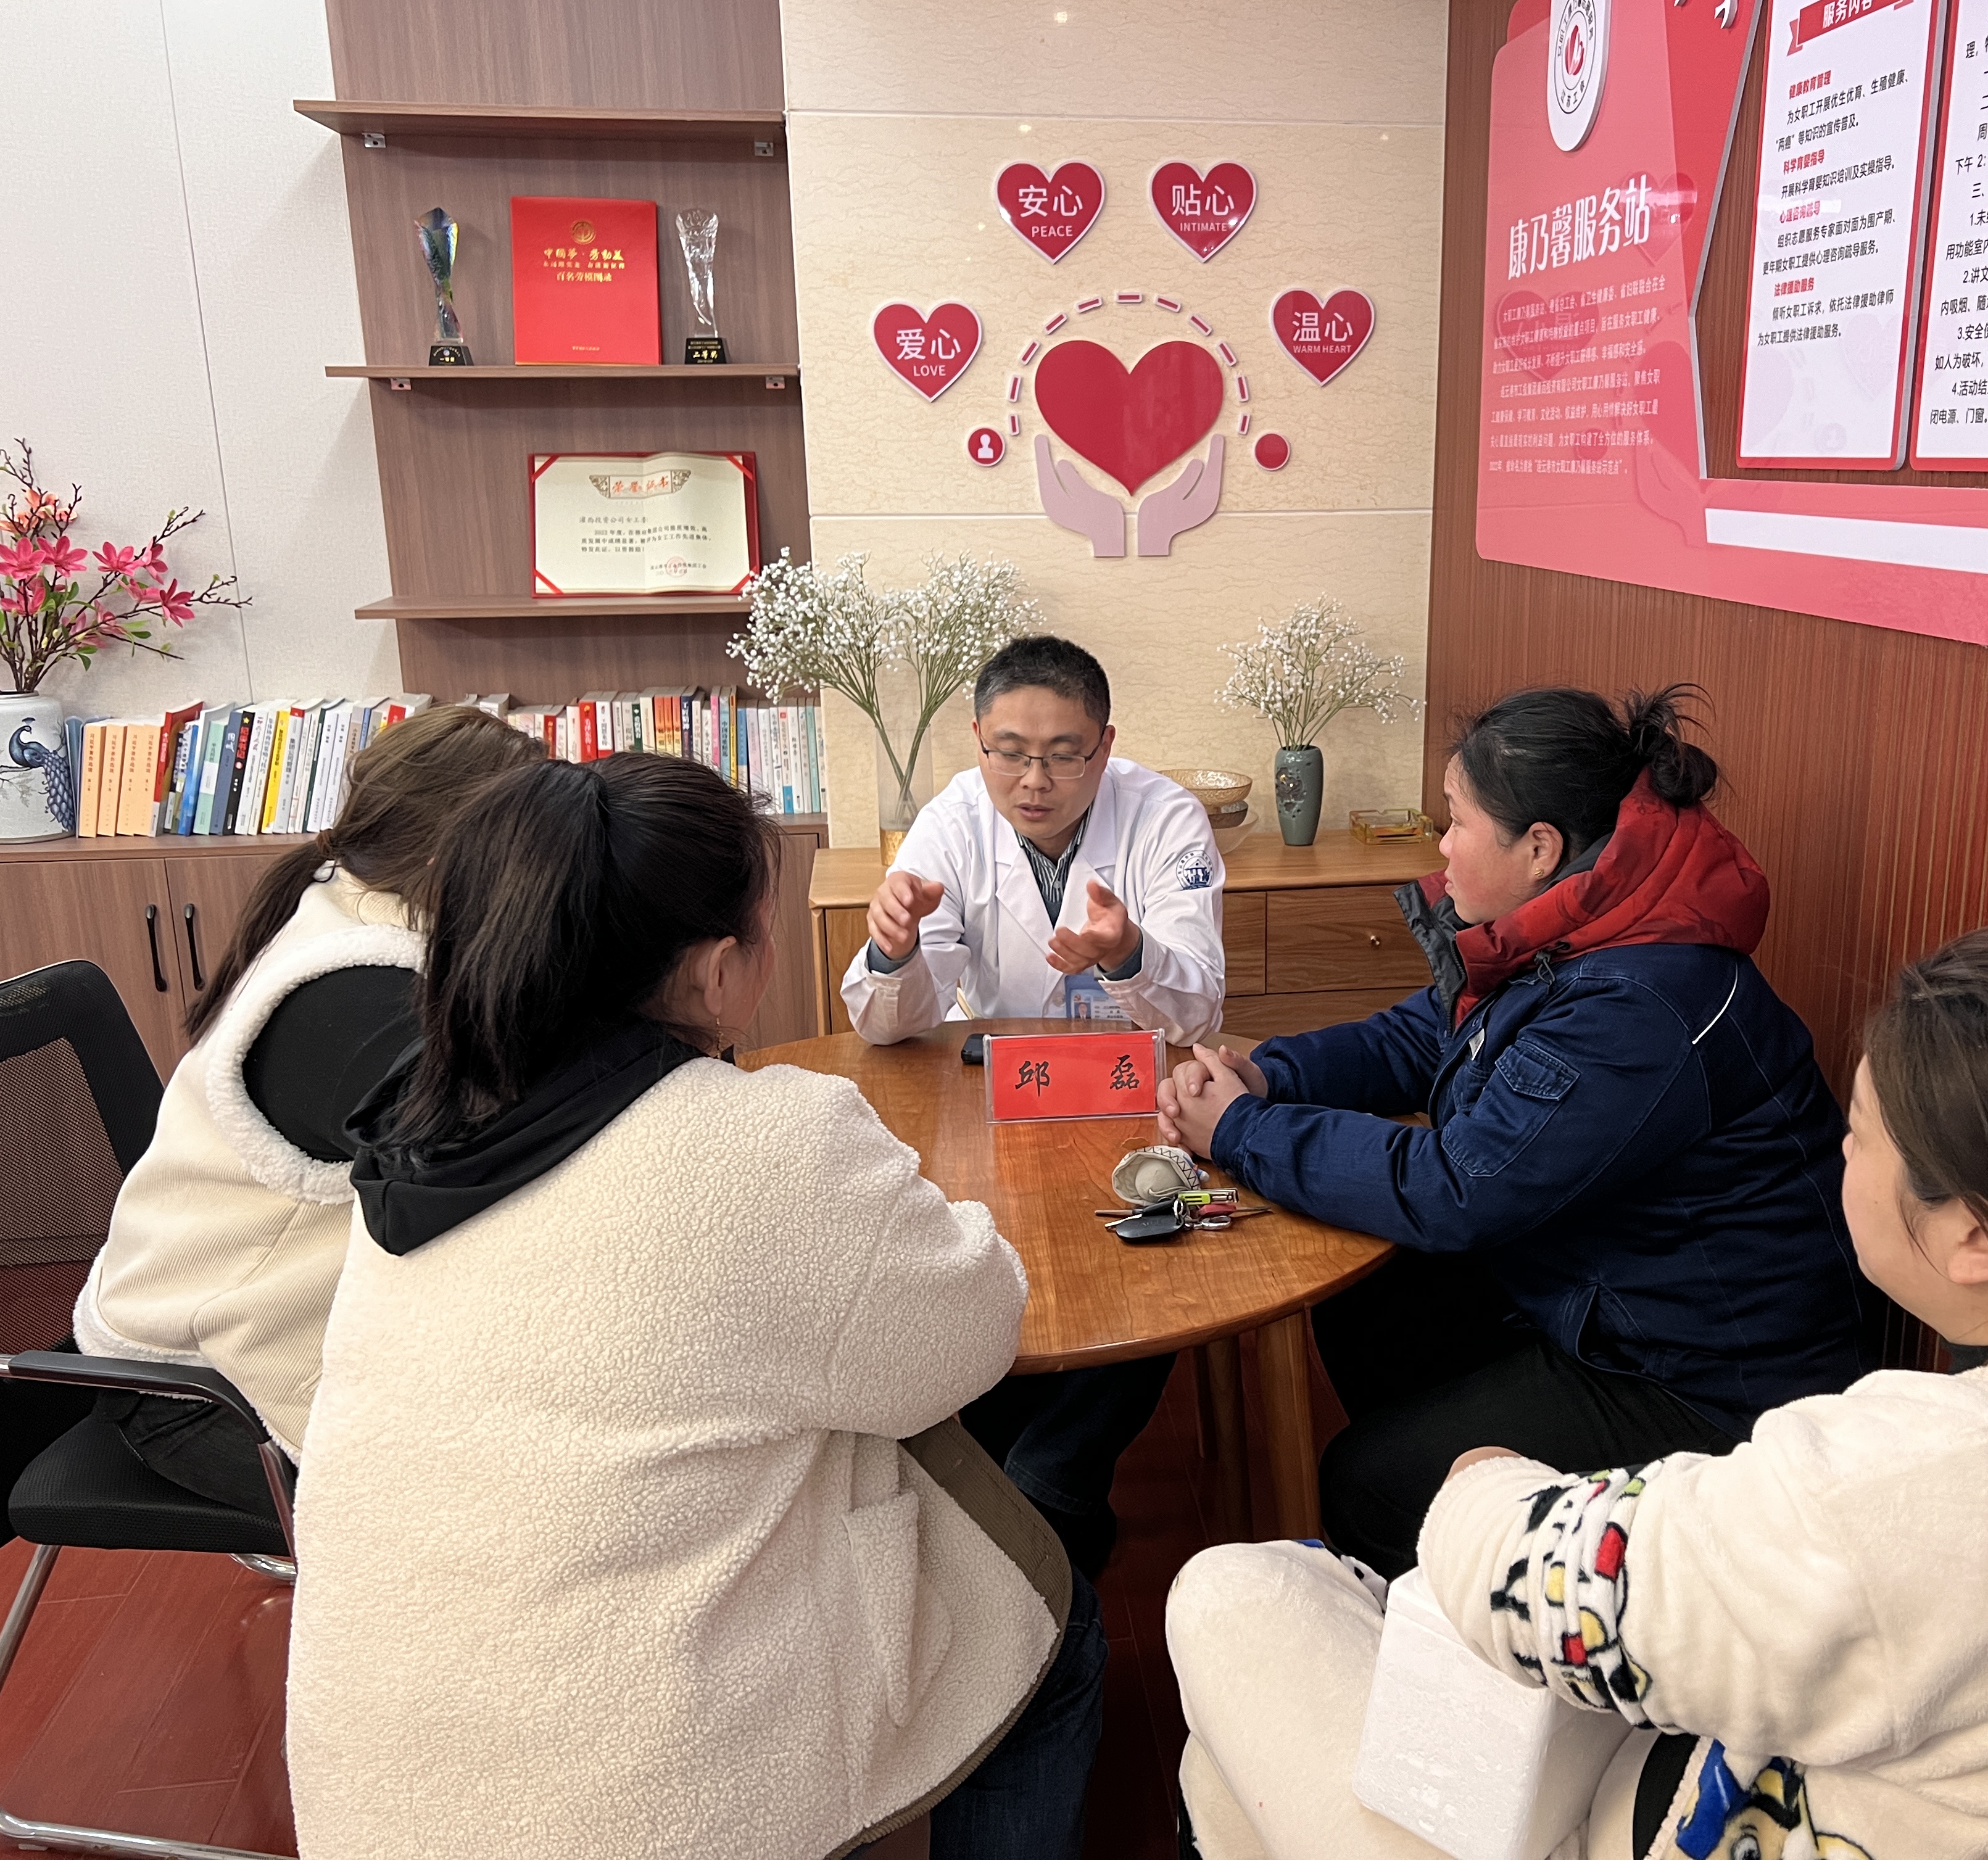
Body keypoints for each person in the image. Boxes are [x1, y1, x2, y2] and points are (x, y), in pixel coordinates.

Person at [1162, 926, 1988, 1860]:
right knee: (1230, 1774)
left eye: (1862, 1134)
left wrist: (1486, 1478)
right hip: (1797, 1763)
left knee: (1231, 1593)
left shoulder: (1922, 1488)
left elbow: (1519, 1578)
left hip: (1683, 1788)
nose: (1838, 1148)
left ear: (1974, 1240)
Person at [286, 753, 1104, 1860]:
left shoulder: (414, 1136)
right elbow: (971, 1330)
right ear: (720, 975)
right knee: (1044, 1623)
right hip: (649, 1815)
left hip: (369, 1793)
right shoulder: (771, 1147)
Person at [1156, 687, 1875, 1577]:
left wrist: (1241, 1129)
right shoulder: (1584, 922)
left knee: (1366, 1484)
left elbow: (1457, 1186)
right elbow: (1424, 1037)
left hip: (1711, 1387)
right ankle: (1481, 1521)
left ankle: (1486, 1573)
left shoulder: (1639, 1002)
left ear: (1540, 848)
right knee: (1370, 1296)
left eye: (1456, 823)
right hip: (1607, 1297)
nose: (1441, 846)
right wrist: (1270, 1075)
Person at [72, 705, 540, 1512]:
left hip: (254, 1320)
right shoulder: (354, 1001)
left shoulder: (365, 908)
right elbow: (486, 1166)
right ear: (455, 858)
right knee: (519, 1498)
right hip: (200, 1385)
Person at [846, 634, 1225, 1574]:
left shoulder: (1164, 817)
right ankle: (1011, 1479)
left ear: (1105, 745)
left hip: (1134, 1104)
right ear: (979, 739)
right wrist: (894, 950)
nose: (1034, 780)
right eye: (1010, 752)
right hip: (996, 1104)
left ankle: (1052, 1484)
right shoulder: (951, 822)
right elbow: (888, 1024)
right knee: (983, 1261)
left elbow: (1199, 1008)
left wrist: (1129, 953)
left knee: (1153, 1262)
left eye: (1063, 754)